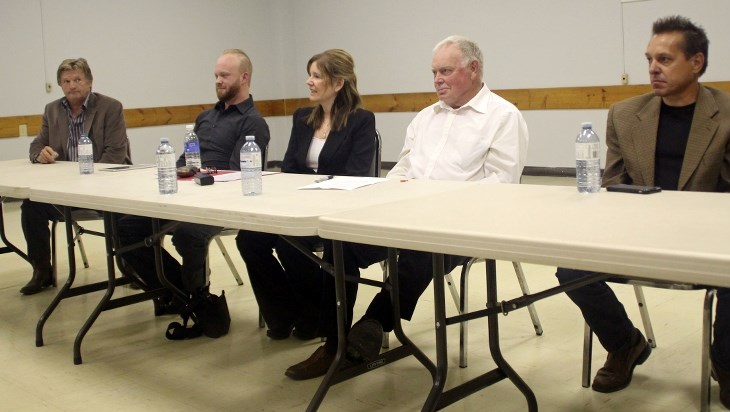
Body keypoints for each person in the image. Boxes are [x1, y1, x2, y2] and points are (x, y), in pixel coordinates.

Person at [285, 35, 529, 380]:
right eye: (434, 72)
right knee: (343, 246)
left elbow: (502, 184)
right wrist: (393, 191)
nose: (437, 79)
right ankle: (333, 344)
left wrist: (437, 203)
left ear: (473, 70)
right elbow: (402, 167)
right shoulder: (426, 118)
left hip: (463, 224)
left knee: (421, 251)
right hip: (405, 214)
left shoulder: (503, 117)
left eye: (446, 71)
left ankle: (372, 324)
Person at [556, 16, 730, 412]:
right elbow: (613, 186)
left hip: (707, 237)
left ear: (697, 62)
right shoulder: (624, 114)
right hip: (639, 233)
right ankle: (625, 345)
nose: (653, 68)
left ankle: (726, 361)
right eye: (650, 59)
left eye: (665, 59)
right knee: (570, 269)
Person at [235, 49, 376, 340]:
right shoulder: (302, 118)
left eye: (316, 76)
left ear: (338, 83)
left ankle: (313, 318)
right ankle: (284, 313)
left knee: (290, 244)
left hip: (335, 210)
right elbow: (289, 168)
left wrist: (315, 188)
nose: (309, 82)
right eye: (309, 75)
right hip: (297, 204)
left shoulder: (361, 120)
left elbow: (357, 174)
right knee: (248, 239)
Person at [117, 49, 269, 312]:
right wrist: (175, 172)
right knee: (125, 226)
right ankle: (178, 292)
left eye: (224, 75)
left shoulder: (252, 122)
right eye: (215, 75)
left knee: (189, 234)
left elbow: (237, 175)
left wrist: (199, 175)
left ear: (244, 78)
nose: (218, 81)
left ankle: (194, 301)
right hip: (187, 194)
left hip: (221, 202)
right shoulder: (205, 117)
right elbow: (184, 160)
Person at [20, 58, 130, 295]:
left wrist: (84, 180)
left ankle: (131, 267)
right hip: (65, 191)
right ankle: (41, 270)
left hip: (106, 187)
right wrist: (40, 153)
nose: (72, 85)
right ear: (60, 85)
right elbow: (38, 143)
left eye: (77, 79)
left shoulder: (110, 107)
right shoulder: (52, 109)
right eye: (66, 81)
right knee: (31, 206)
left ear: (89, 82)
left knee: (126, 213)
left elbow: (115, 155)